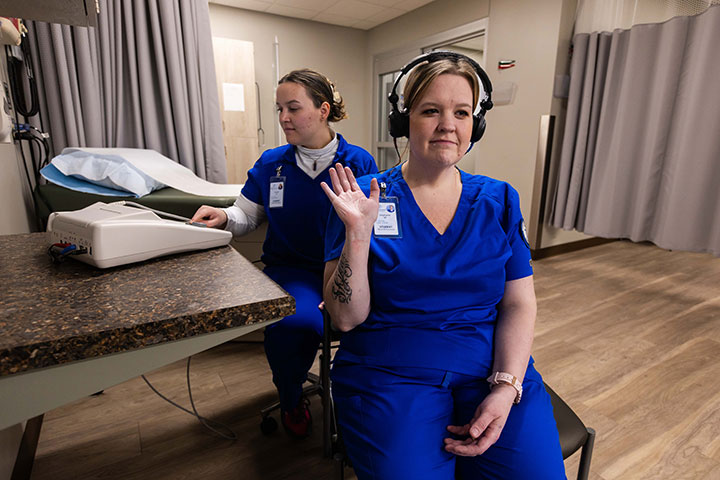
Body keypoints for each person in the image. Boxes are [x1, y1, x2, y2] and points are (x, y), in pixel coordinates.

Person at [320, 52, 565, 479]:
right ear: (403, 121)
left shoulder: (500, 200)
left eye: (462, 112)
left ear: (476, 124)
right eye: (430, 110)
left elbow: (519, 304)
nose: (447, 124)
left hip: (490, 369)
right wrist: (358, 236)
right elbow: (344, 318)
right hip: (390, 376)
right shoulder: (357, 198)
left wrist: (506, 387)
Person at [191, 69, 377, 438]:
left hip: (346, 270)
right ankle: (291, 396)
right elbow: (247, 214)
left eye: (293, 108)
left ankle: (366, 402)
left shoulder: (359, 163)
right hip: (293, 272)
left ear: (323, 110)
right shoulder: (272, 163)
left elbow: (376, 227)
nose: (283, 118)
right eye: (279, 108)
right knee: (294, 324)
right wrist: (224, 216)